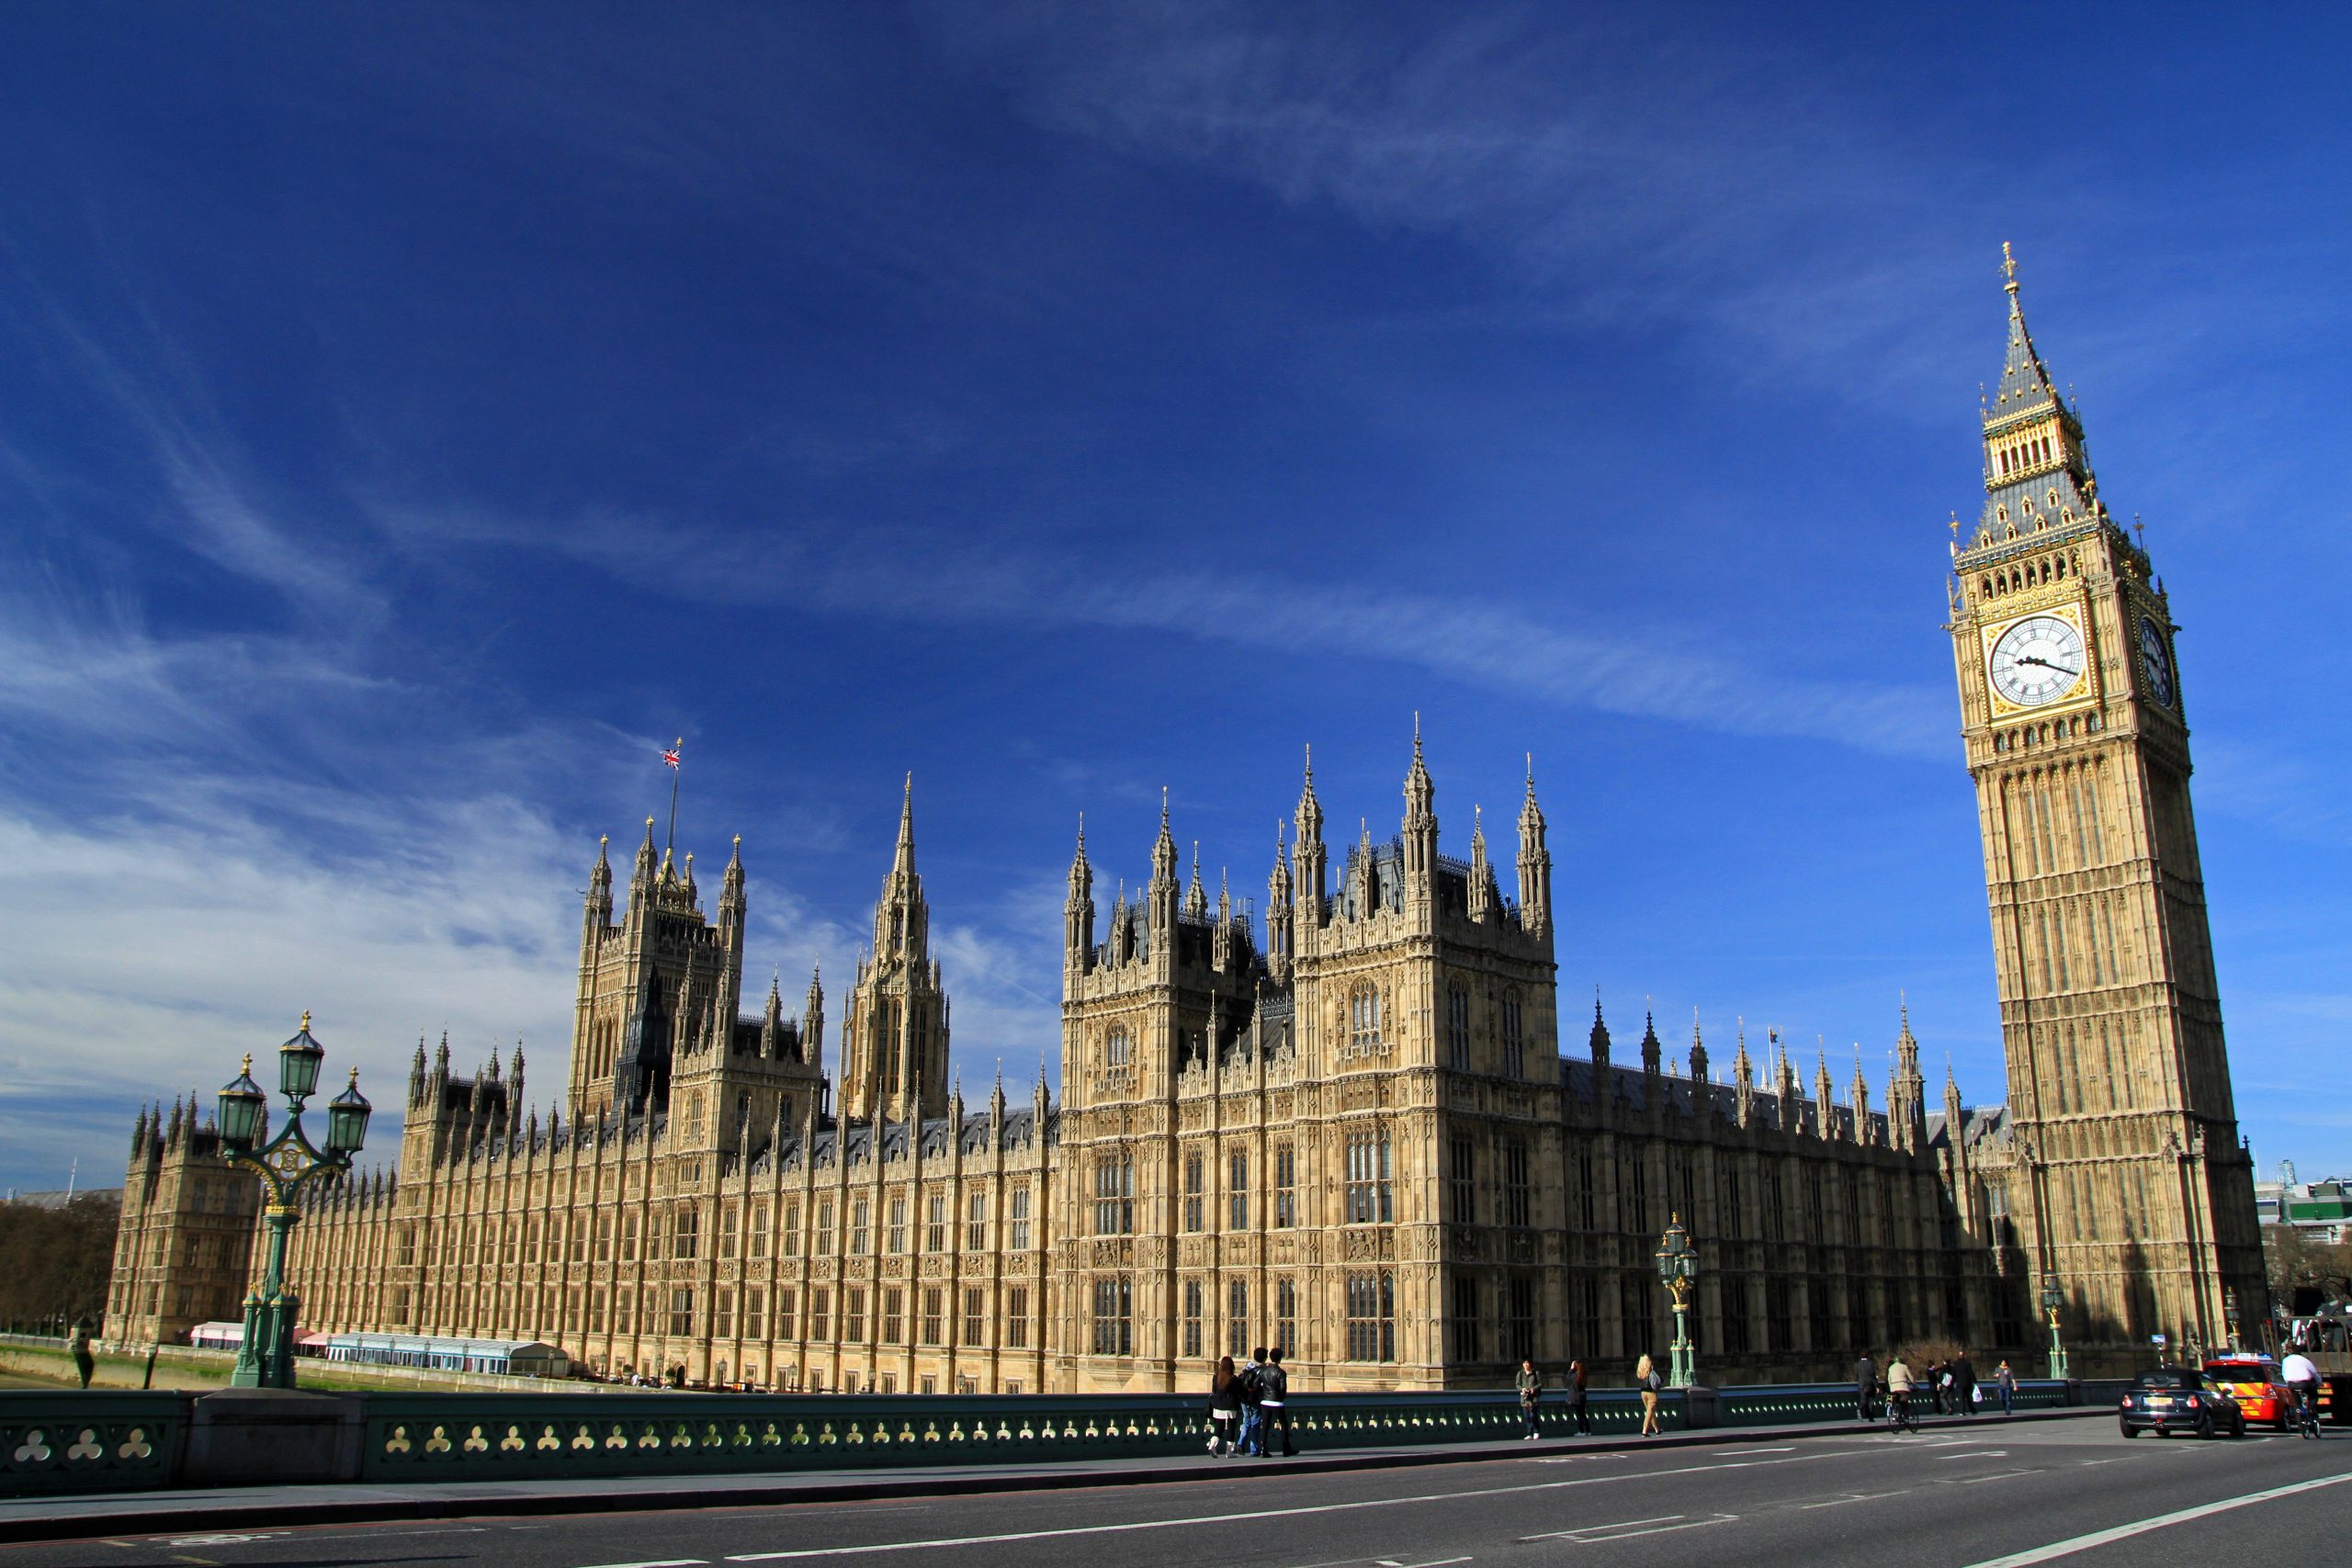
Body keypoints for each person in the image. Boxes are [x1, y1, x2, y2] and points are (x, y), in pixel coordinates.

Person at [1259, 1348, 1295, 1456]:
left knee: (1265, 1426)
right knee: (1284, 1425)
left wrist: (1263, 1396)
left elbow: (1256, 1384)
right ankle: (1286, 1449)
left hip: (1265, 1402)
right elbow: (1283, 1389)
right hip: (1276, 1403)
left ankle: (1263, 1449)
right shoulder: (1281, 1372)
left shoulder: (1263, 1370)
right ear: (1280, 1359)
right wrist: (1280, 1398)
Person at [1206, 1355, 1242, 1456]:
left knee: (1219, 1428)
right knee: (1231, 1428)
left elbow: (1214, 1391)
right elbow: (1239, 1392)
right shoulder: (1233, 1379)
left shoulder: (1215, 1377)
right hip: (1230, 1406)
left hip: (1218, 1405)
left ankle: (1212, 1445)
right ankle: (1229, 1452)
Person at [2282, 1348, 2322, 1437]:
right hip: (2305, 1384)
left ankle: (2300, 1411)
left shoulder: (2285, 1360)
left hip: (2292, 1385)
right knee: (2313, 1395)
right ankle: (2311, 1408)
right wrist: (2319, 1383)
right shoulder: (2305, 1360)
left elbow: (2284, 1373)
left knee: (2297, 1404)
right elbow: (2314, 1373)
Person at [1238, 1347, 1267, 1457]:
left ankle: (1240, 1443)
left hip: (1244, 1399)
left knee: (1246, 1421)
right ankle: (1254, 1450)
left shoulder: (1248, 1366)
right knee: (1255, 1423)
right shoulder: (1262, 1370)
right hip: (1255, 1399)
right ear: (1264, 1358)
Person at [1885, 1353, 1916, 1432]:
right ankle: (1906, 1419)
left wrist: (1891, 1387)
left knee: (1895, 1400)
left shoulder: (1890, 1368)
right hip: (1902, 1387)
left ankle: (1895, 1412)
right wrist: (1914, 1385)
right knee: (1904, 1403)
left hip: (1893, 1388)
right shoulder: (1904, 1366)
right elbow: (1911, 1377)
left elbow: (1889, 1379)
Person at [1517, 1359, 1544, 1439]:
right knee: (1527, 1416)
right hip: (1525, 1397)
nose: (1526, 1364)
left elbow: (1540, 1383)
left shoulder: (1536, 1373)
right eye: (1524, 1363)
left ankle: (1536, 1431)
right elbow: (1517, 1384)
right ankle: (1529, 1433)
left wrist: (1533, 1389)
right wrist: (1522, 1389)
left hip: (1533, 1396)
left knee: (1533, 1415)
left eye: (1527, 1363)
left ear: (1530, 1364)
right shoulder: (1520, 1373)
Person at [1637, 1353, 1662, 1436]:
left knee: (1649, 1411)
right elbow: (1657, 1381)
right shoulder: (1650, 1370)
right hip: (1651, 1393)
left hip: (1643, 1392)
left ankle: (1657, 1429)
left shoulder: (1640, 1370)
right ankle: (1644, 1430)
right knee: (1649, 1412)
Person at [66, 1319, 95, 1390]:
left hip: (80, 1351)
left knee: (85, 1367)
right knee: (87, 1366)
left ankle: (85, 1384)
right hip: (80, 1351)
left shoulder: (78, 1342)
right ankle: (85, 1384)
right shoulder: (80, 1342)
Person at [1567, 1359, 1592, 1436]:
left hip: (1576, 1397)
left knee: (1579, 1415)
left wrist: (1571, 1368)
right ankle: (1588, 1430)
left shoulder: (1575, 1376)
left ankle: (1581, 1431)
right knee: (1583, 1414)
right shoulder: (1584, 1375)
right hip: (1582, 1396)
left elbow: (1568, 1376)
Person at [1950, 1350, 1977, 1418]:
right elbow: (1970, 1373)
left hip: (1959, 1383)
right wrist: (1974, 1381)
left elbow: (1953, 1374)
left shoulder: (1955, 1364)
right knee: (1968, 1397)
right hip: (1967, 1383)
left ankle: (1962, 1411)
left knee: (1961, 1398)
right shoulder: (1967, 1363)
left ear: (1959, 1356)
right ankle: (1972, 1410)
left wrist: (1952, 1383)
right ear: (1964, 1356)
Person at [1853, 1351, 1877, 1422]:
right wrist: (1877, 1385)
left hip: (1861, 1385)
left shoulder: (1857, 1364)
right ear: (1867, 1356)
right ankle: (1870, 1417)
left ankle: (1859, 1409)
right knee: (1870, 1401)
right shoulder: (1870, 1363)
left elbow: (1856, 1375)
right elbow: (1873, 1375)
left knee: (1863, 1400)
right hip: (1870, 1384)